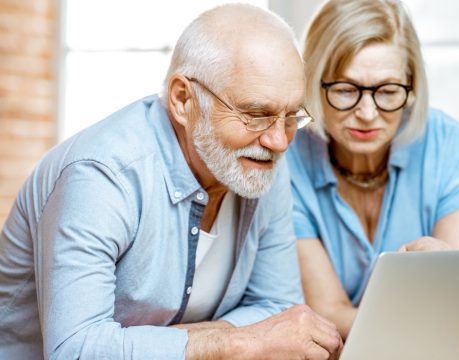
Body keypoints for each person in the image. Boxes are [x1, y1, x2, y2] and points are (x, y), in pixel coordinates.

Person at [0, 4, 343, 360]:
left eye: (291, 117)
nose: (279, 141)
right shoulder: (101, 175)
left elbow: (277, 308)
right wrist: (238, 342)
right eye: (256, 114)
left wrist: (155, 344)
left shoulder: (260, 159)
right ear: (183, 99)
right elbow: (76, 350)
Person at [286, 0, 459, 359]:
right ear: (313, 84)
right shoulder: (290, 160)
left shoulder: (450, 147)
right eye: (345, 90)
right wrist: (453, 334)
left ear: (412, 88)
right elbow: (327, 314)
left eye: (388, 91)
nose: (368, 113)